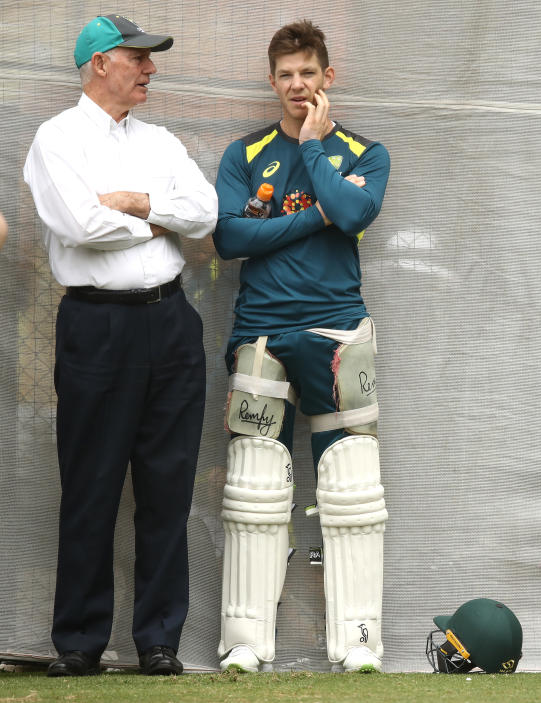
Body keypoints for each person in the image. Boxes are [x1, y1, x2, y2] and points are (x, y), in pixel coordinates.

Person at [22, 14, 217, 677]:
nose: (150, 69)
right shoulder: (55, 140)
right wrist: (160, 219)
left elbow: (206, 213)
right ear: (101, 62)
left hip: (170, 322)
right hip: (96, 326)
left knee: (167, 487)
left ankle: (158, 640)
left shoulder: (159, 141)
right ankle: (79, 641)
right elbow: (77, 224)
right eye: (139, 58)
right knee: (91, 483)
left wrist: (136, 203)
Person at [213, 20, 390, 673]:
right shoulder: (245, 154)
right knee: (255, 479)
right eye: (285, 74)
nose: (296, 84)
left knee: (352, 485)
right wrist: (311, 215)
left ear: (327, 78)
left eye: (307, 74)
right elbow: (230, 239)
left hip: (339, 333)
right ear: (271, 80)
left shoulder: (366, 153)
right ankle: (244, 643)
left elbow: (351, 214)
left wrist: (314, 149)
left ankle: (359, 641)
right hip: (262, 333)